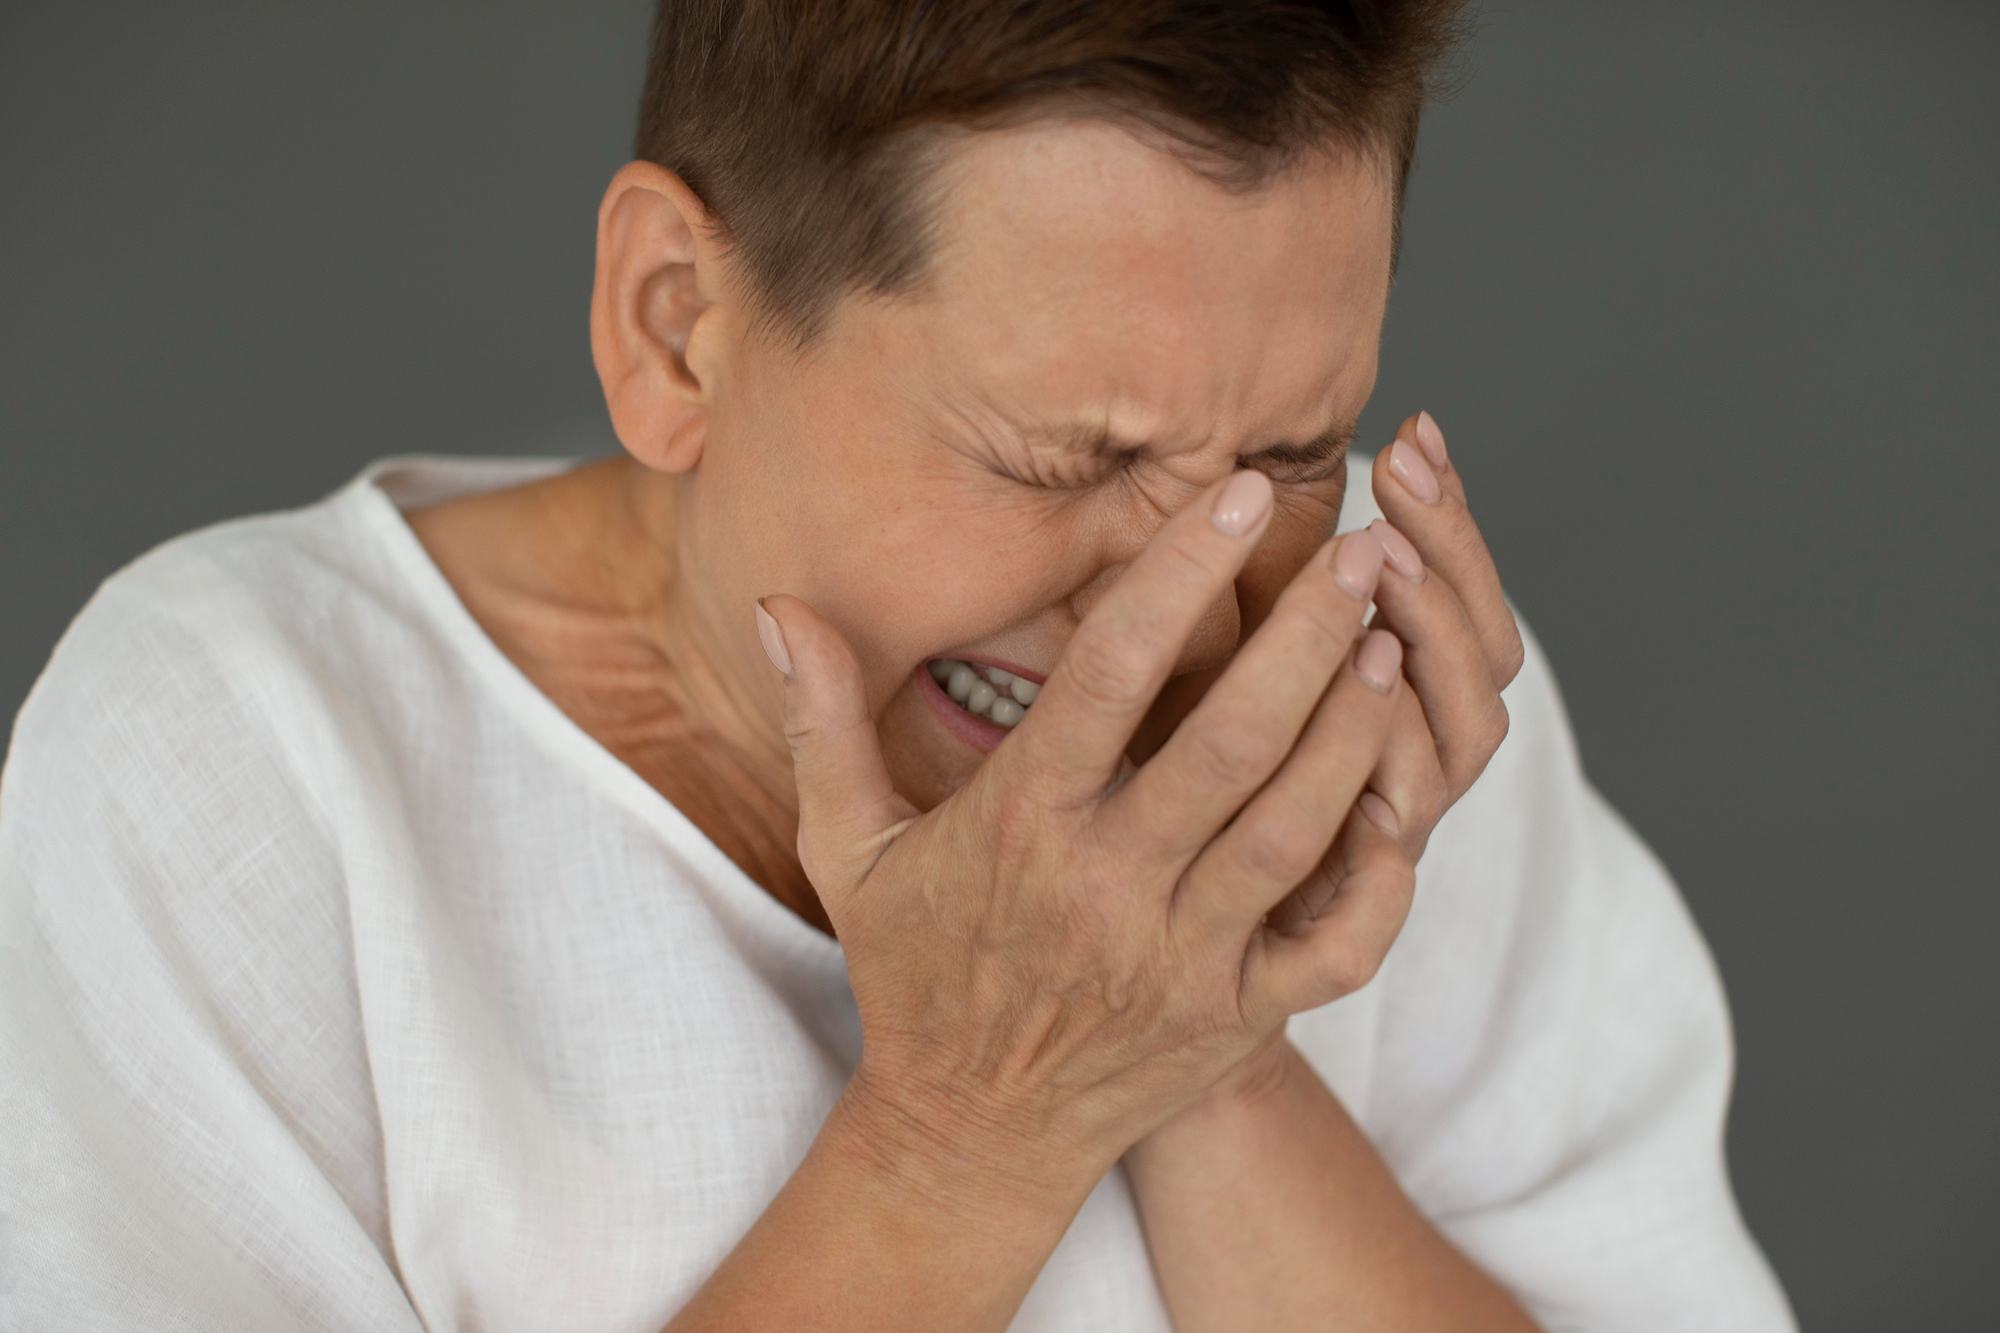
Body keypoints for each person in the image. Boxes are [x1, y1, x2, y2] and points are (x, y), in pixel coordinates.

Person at [0, 2, 1795, 1329]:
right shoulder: (239, 765)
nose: (1189, 599)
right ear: (677, 327)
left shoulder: (1368, 702)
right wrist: (971, 1127)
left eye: (1290, 459)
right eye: (1064, 459)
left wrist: (1207, 1036)